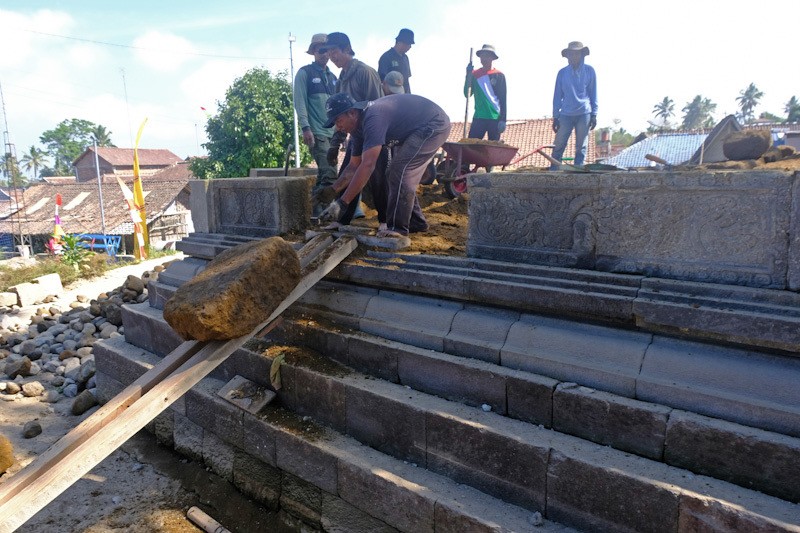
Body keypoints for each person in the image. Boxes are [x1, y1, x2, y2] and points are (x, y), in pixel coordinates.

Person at [317, 93, 451, 240]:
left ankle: (398, 228)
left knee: (399, 170)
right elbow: (354, 166)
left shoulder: (372, 119)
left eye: (338, 120)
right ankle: (417, 222)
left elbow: (368, 165)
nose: (338, 126)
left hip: (434, 124)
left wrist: (342, 203)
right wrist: (333, 189)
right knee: (393, 173)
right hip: (416, 128)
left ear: (352, 113)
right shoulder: (356, 131)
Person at [318, 32, 384, 223]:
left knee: (380, 178)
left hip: (375, 135)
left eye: (334, 51)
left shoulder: (365, 73)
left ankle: (396, 220)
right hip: (357, 135)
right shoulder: (341, 79)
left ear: (347, 49)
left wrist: (376, 139)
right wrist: (334, 144)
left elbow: (378, 107)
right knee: (347, 173)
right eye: (328, 52)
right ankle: (342, 218)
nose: (331, 56)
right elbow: (338, 117)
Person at [293, 33, 338, 216]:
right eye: (320, 50)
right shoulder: (305, 73)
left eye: (327, 50)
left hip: (333, 133)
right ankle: (325, 212)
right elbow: (300, 102)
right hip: (317, 132)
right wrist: (306, 128)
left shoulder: (333, 76)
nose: (324, 54)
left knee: (324, 174)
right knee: (329, 174)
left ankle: (316, 212)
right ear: (313, 52)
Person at [551, 41, 597, 168]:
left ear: (581, 55)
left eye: (576, 54)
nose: (573, 57)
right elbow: (557, 96)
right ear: (568, 56)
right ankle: (554, 170)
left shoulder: (589, 71)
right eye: (571, 54)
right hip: (565, 114)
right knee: (559, 144)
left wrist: (594, 114)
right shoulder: (562, 73)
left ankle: (578, 170)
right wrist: (556, 117)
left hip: (584, 112)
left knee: (581, 145)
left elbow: (593, 93)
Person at [464, 44, 507, 141]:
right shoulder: (474, 75)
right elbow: (467, 94)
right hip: (479, 116)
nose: (484, 58)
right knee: (471, 145)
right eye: (482, 56)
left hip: (495, 117)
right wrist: (468, 76)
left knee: (493, 147)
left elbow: (503, 99)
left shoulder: (499, 75)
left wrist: (503, 119)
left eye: (487, 56)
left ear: (492, 58)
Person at [378, 28, 414, 94]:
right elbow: (382, 81)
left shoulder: (405, 58)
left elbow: (406, 81)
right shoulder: (386, 57)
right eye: (408, 44)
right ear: (400, 42)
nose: (410, 47)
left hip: (405, 97)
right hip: (391, 97)